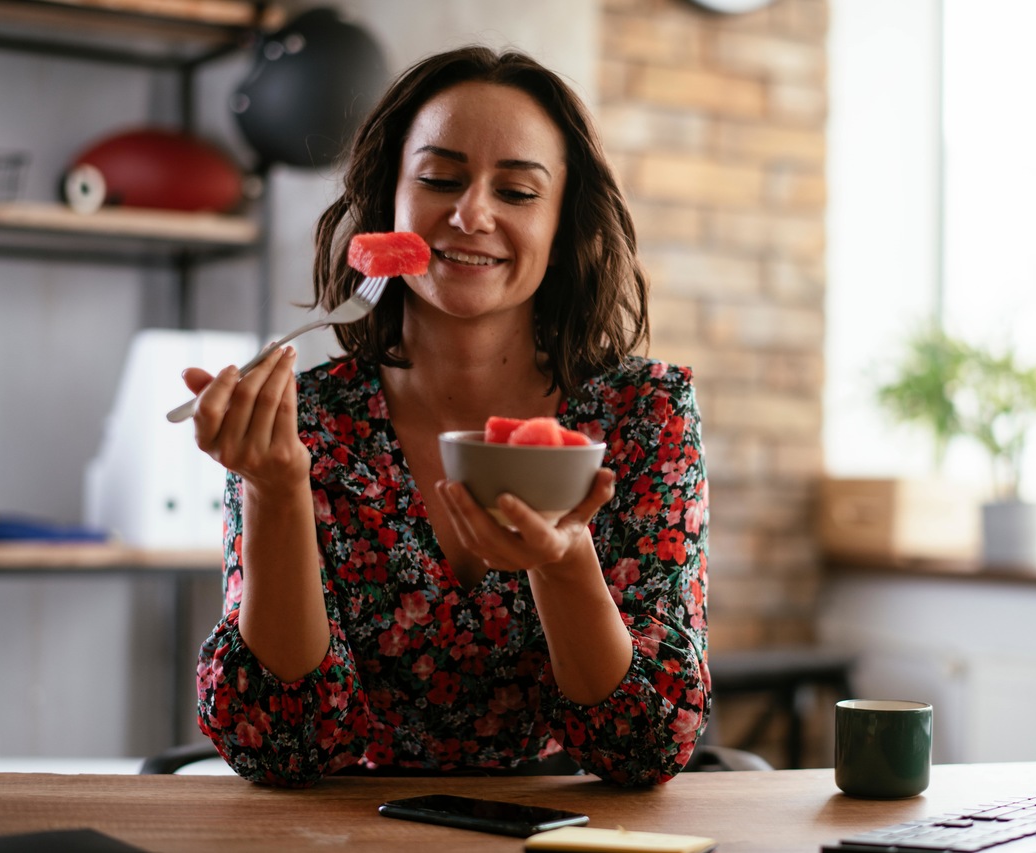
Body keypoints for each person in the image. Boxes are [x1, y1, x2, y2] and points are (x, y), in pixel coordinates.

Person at [181, 45, 710, 788]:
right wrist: (275, 489)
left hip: (567, 828)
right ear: (388, 205)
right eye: (438, 178)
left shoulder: (642, 417)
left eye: (519, 193)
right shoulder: (304, 423)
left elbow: (646, 749)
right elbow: (281, 746)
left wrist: (562, 562)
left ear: (561, 230)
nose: (471, 214)